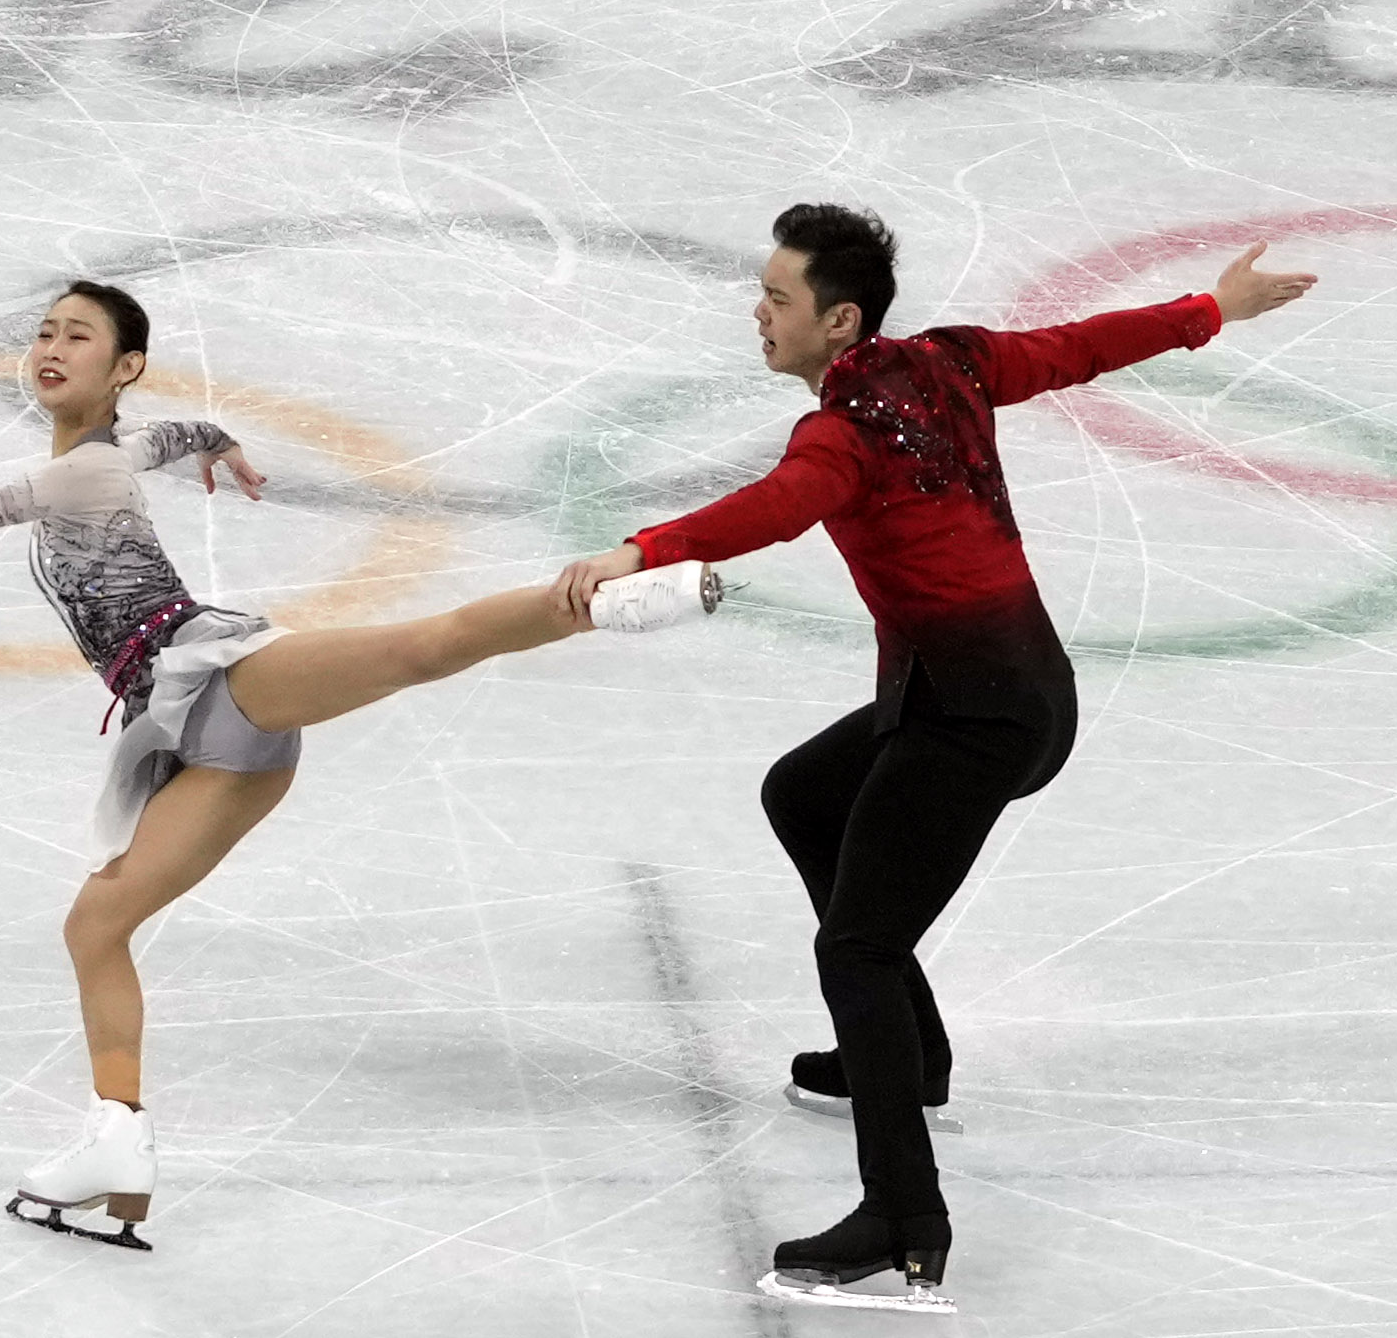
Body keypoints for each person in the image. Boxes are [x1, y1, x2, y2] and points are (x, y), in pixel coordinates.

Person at [0, 276, 719, 1251]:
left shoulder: (79, 475)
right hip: (187, 735)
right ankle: (117, 1136)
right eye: (44, 331)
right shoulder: (118, 450)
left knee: (418, 646)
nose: (51, 345)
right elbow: (169, 437)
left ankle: (617, 599)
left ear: (124, 366)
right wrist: (214, 441)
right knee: (96, 923)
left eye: (79, 335)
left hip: (218, 674)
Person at [554, 204, 1318, 1315]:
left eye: (777, 298)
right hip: (994, 689)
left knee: (858, 946)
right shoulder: (950, 361)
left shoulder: (843, 435)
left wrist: (641, 547)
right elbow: (1076, 348)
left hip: (974, 718)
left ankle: (906, 1221)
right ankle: (912, 1062)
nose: (757, 312)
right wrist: (1212, 309)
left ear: (840, 317)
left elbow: (778, 508)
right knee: (804, 793)